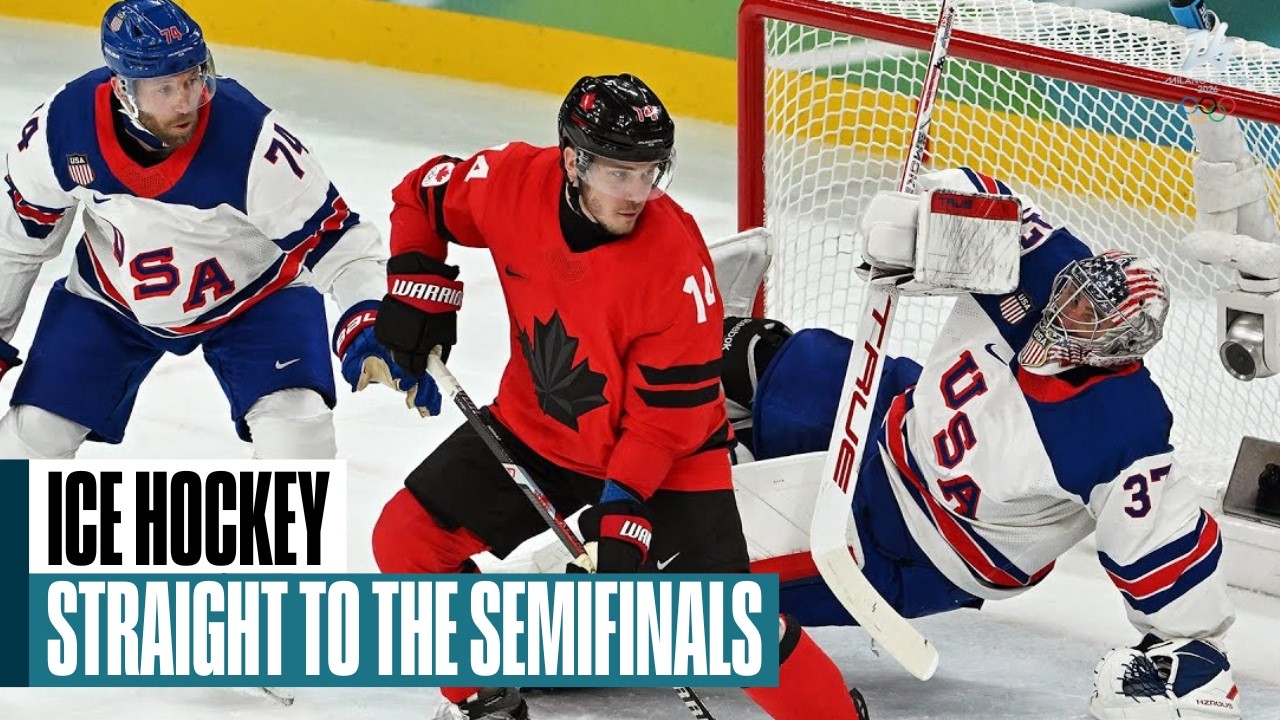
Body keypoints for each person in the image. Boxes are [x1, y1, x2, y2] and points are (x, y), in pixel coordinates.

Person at [369, 74, 869, 720]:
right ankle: (485, 699)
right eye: (619, 174)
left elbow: (669, 422)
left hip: (670, 456)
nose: (637, 193)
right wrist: (417, 283)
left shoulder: (675, 264)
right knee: (408, 539)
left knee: (727, 627)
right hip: (539, 426)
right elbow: (422, 195)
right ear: (573, 159)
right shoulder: (511, 183)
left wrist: (624, 511)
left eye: (649, 173)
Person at [720, 167, 1240, 719]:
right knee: (739, 350)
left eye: (1088, 316)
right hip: (889, 414)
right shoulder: (1042, 269)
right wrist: (922, 216)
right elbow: (978, 195)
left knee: (717, 582)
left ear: (1121, 343)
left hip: (917, 544)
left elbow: (1166, 544)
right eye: (1071, 296)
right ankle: (699, 444)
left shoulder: (1123, 429)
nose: (1065, 313)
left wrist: (1194, 647)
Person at [0, 0, 432, 459]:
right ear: (122, 89)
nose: (185, 101)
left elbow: (340, 242)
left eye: (192, 79)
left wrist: (372, 320)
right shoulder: (59, 131)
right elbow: (18, 242)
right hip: (112, 298)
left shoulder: (252, 141)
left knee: (299, 437)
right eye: (165, 88)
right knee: (30, 440)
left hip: (256, 297)